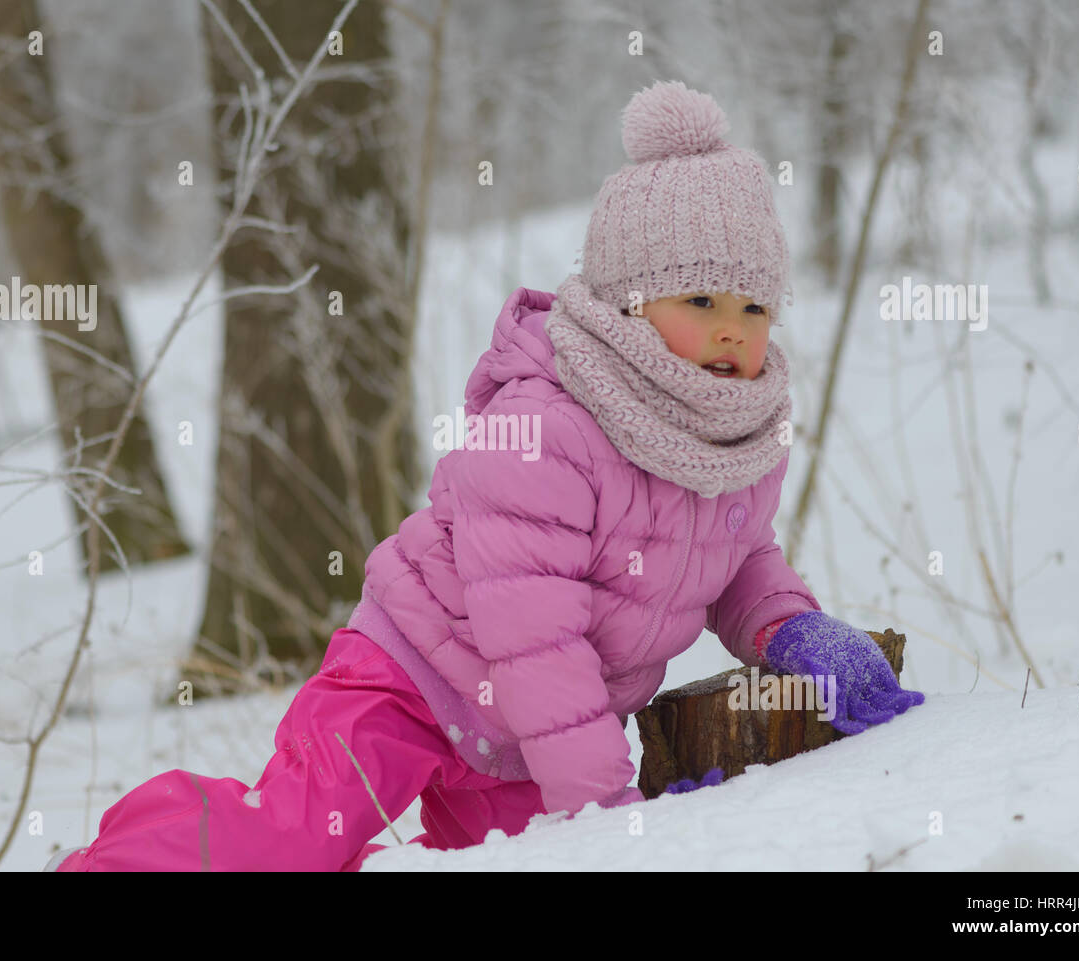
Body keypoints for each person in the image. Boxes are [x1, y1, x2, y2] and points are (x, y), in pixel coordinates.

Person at [50, 79, 923, 873]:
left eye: (754, 306)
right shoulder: (545, 425)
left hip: (526, 740)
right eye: (700, 301)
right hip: (414, 676)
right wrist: (603, 807)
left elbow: (736, 561)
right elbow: (532, 633)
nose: (733, 330)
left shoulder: (733, 443)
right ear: (628, 304)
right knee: (294, 838)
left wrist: (790, 630)